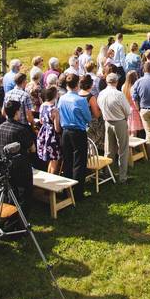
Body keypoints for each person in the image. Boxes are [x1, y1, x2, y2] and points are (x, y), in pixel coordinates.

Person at [58, 73, 92, 202]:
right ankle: (77, 193)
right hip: (77, 132)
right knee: (79, 162)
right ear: (77, 84)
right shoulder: (80, 100)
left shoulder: (62, 98)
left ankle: (68, 190)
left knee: (68, 161)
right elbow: (88, 117)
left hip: (66, 132)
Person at [0, 99, 36, 201]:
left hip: (6, 165)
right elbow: (32, 149)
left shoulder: (0, 127)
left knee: (11, 191)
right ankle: (22, 215)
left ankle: (13, 211)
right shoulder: (21, 129)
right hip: (21, 166)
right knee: (24, 193)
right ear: (17, 112)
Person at [98, 73, 131, 183]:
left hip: (107, 122)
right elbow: (128, 111)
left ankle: (107, 173)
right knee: (123, 149)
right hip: (119, 122)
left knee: (109, 149)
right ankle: (122, 176)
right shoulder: (119, 94)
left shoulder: (101, 93)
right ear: (116, 82)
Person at [36, 87, 63, 174]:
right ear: (55, 96)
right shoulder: (54, 110)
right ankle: (52, 181)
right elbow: (57, 128)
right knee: (54, 160)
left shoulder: (42, 105)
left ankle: (48, 177)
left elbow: (40, 121)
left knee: (50, 160)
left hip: (44, 132)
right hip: (52, 136)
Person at [79, 74, 104, 152]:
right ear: (90, 84)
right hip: (90, 123)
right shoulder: (90, 97)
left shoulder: (77, 94)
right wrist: (102, 110)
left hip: (80, 121)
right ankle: (100, 146)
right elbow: (96, 114)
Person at [123, 70, 144, 139]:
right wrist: (139, 109)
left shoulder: (123, 87)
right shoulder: (134, 88)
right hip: (134, 111)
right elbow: (135, 101)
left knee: (129, 130)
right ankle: (132, 149)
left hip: (127, 110)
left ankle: (128, 147)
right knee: (134, 132)